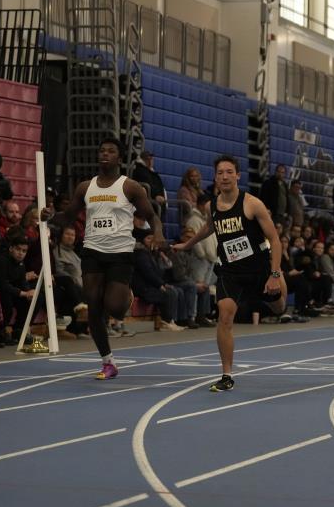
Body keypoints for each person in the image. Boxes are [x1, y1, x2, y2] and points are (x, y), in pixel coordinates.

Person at [43, 137, 162, 380]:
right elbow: (68, 217)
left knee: (115, 309)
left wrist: (158, 234)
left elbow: (152, 215)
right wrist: (51, 216)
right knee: (93, 306)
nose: (105, 154)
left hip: (120, 253)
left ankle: (124, 295)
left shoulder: (129, 187)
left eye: (111, 151)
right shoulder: (85, 187)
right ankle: (108, 361)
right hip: (93, 251)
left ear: (119, 158)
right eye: (102, 151)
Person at [174, 155, 286, 392]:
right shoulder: (211, 206)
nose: (224, 177)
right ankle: (226, 375)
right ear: (215, 177)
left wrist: (274, 274)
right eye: (220, 173)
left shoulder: (253, 204)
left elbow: (275, 240)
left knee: (279, 308)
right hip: (230, 271)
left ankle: (280, 281)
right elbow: (209, 227)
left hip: (259, 269)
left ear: (238, 176)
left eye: (229, 172)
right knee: (224, 316)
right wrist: (188, 244)